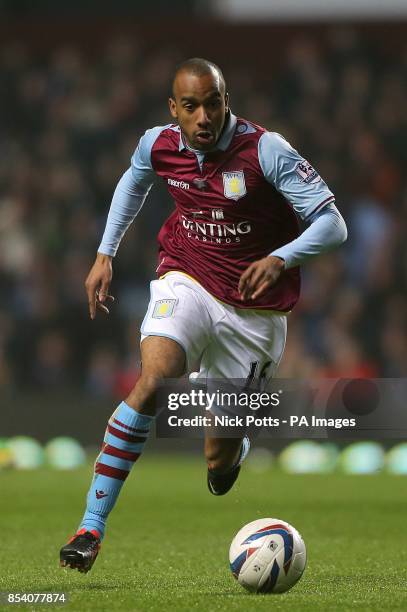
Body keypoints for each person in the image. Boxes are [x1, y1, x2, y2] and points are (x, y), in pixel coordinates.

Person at [59, 57, 347, 573]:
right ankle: (89, 527)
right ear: (175, 109)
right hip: (186, 278)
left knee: (216, 461)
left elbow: (332, 224)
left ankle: (230, 455)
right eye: (190, 107)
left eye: (212, 103)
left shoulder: (266, 151)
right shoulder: (158, 144)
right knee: (155, 377)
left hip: (254, 314)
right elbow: (133, 180)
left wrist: (281, 257)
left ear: (226, 101)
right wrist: (105, 253)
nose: (203, 117)